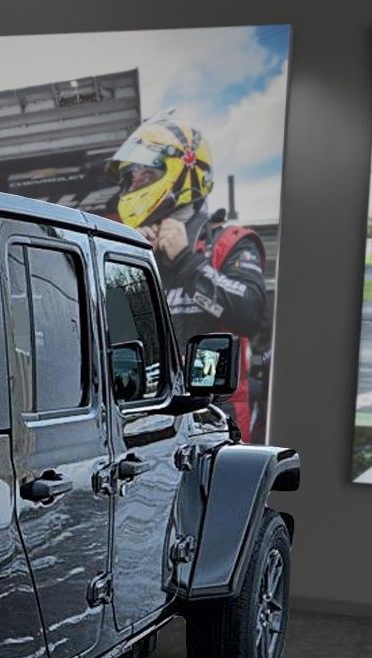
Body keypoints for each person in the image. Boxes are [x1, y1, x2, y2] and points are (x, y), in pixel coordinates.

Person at [106, 115, 267, 438]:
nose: (133, 186)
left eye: (145, 175)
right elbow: (117, 340)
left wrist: (186, 260)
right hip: (148, 416)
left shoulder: (229, 241)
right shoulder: (137, 251)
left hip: (217, 420)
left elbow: (249, 314)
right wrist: (128, 264)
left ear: (183, 174)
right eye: (131, 178)